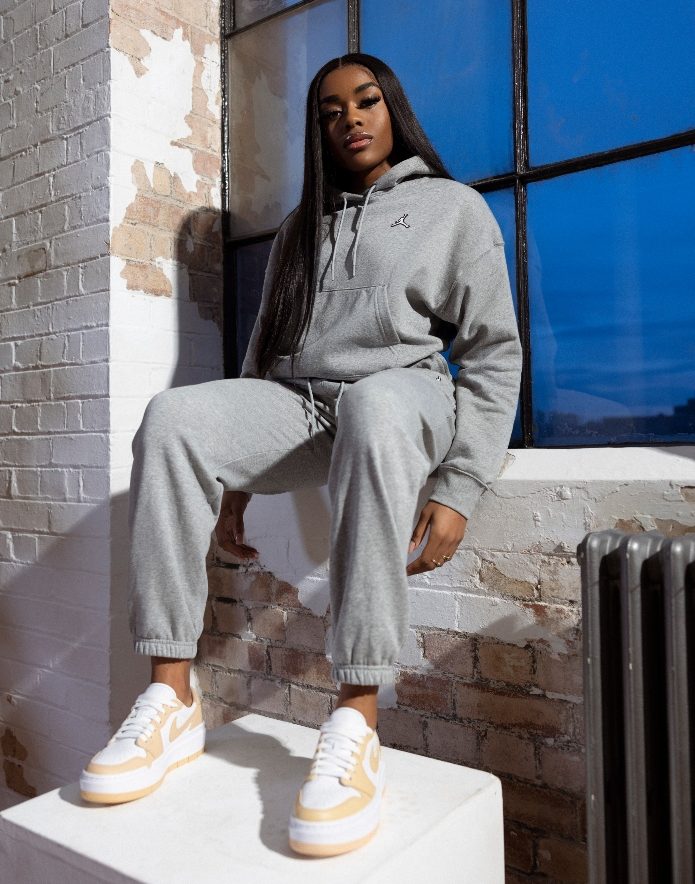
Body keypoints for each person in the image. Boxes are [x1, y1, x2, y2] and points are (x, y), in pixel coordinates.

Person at [79, 52, 522, 857]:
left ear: (392, 110)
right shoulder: (299, 227)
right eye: (329, 111)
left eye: (365, 101)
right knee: (173, 416)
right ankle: (170, 698)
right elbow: (265, 349)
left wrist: (459, 484)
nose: (349, 119)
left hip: (405, 390)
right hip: (301, 402)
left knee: (377, 405)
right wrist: (236, 484)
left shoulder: (450, 208)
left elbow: (493, 352)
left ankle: (355, 716)